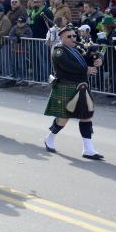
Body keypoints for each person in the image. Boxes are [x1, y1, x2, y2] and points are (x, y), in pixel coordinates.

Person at [43, 25, 104, 160]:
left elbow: (88, 59)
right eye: (69, 36)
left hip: (81, 87)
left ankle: (88, 149)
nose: (73, 38)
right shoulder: (58, 51)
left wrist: (97, 58)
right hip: (66, 86)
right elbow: (68, 66)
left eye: (74, 36)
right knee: (63, 118)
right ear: (61, 38)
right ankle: (49, 138)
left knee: (86, 116)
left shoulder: (76, 49)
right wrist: (86, 70)